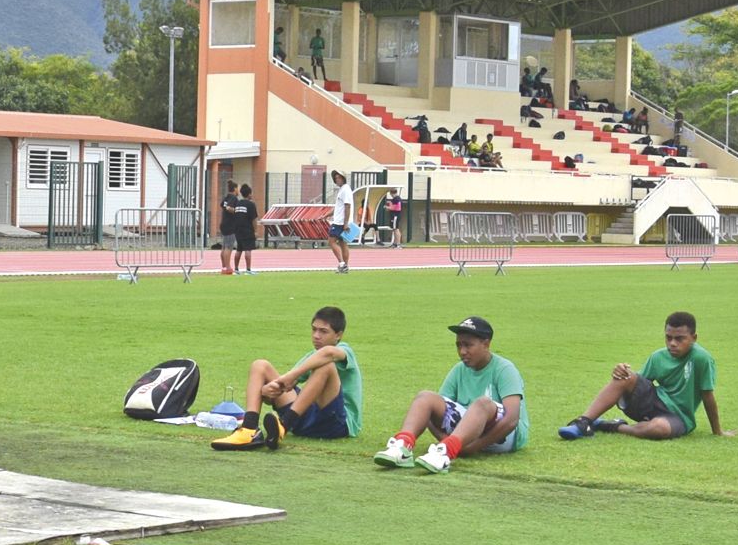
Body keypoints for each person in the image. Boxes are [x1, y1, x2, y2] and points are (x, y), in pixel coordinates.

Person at [372, 315, 527, 474]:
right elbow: (435, 411)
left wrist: (474, 447)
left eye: (468, 345)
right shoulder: (459, 369)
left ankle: (446, 451)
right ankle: (403, 446)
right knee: (425, 397)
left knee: (483, 403)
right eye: (458, 345)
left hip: (502, 437)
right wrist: (446, 439)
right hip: (464, 436)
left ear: (486, 344)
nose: (462, 351)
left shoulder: (504, 369)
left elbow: (511, 420)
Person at [212, 306, 363, 451]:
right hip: (304, 420)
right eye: (314, 329)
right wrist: (265, 392)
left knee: (326, 366)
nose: (316, 335)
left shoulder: (344, 350)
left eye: (323, 331)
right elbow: (281, 389)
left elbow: (328, 354)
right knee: (260, 365)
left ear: (338, 335)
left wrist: (290, 376)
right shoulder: (310, 357)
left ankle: (284, 425)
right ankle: (249, 429)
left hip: (336, 425)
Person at [557, 311, 722, 441]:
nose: (672, 343)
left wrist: (717, 431)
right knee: (625, 376)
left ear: (694, 338)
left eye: (680, 339)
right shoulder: (658, 356)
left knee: (659, 429)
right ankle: (583, 423)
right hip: (653, 403)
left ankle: (611, 426)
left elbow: (707, 395)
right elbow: (638, 385)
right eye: (668, 337)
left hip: (678, 416)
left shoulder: (702, 359)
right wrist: (621, 373)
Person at [326, 169, 355, 273]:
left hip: (340, 222)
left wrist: (345, 223)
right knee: (342, 243)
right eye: (336, 177)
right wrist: (328, 214)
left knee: (331, 241)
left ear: (343, 178)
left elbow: (347, 206)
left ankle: (342, 264)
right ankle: (345, 266)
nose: (337, 179)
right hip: (340, 220)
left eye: (339, 177)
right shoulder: (342, 189)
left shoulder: (345, 189)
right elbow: (340, 206)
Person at [231, 182, 258, 274]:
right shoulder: (251, 204)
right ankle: (248, 269)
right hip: (247, 230)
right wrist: (256, 231)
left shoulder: (238, 203)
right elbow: (254, 219)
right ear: (249, 194)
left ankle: (236, 269)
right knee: (248, 249)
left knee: (239, 249)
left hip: (238, 230)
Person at [219, 178, 238, 274]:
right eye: (237, 188)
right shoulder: (233, 198)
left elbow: (222, 205)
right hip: (230, 225)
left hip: (224, 223)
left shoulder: (226, 197)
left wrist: (226, 207)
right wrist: (236, 211)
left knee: (224, 247)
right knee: (228, 247)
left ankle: (223, 267)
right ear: (235, 189)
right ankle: (228, 267)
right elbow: (228, 208)